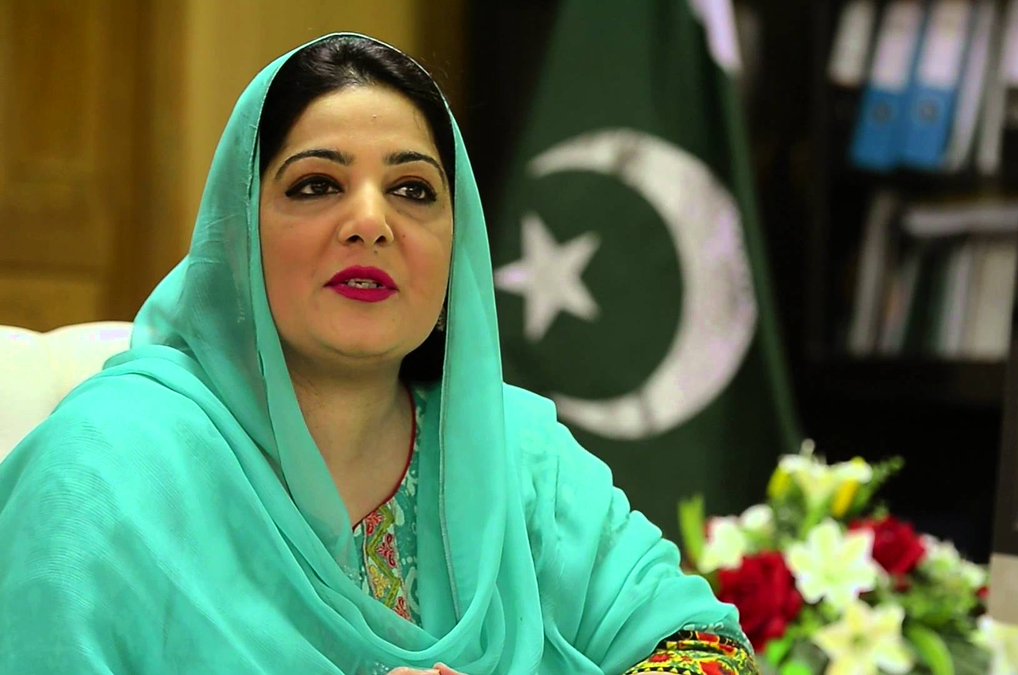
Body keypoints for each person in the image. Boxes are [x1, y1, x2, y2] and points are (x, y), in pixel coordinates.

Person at [0, 34, 758, 674]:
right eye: (316, 185)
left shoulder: (518, 458)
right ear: (238, 239)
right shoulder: (104, 471)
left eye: (413, 190)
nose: (371, 221)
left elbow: (710, 650)